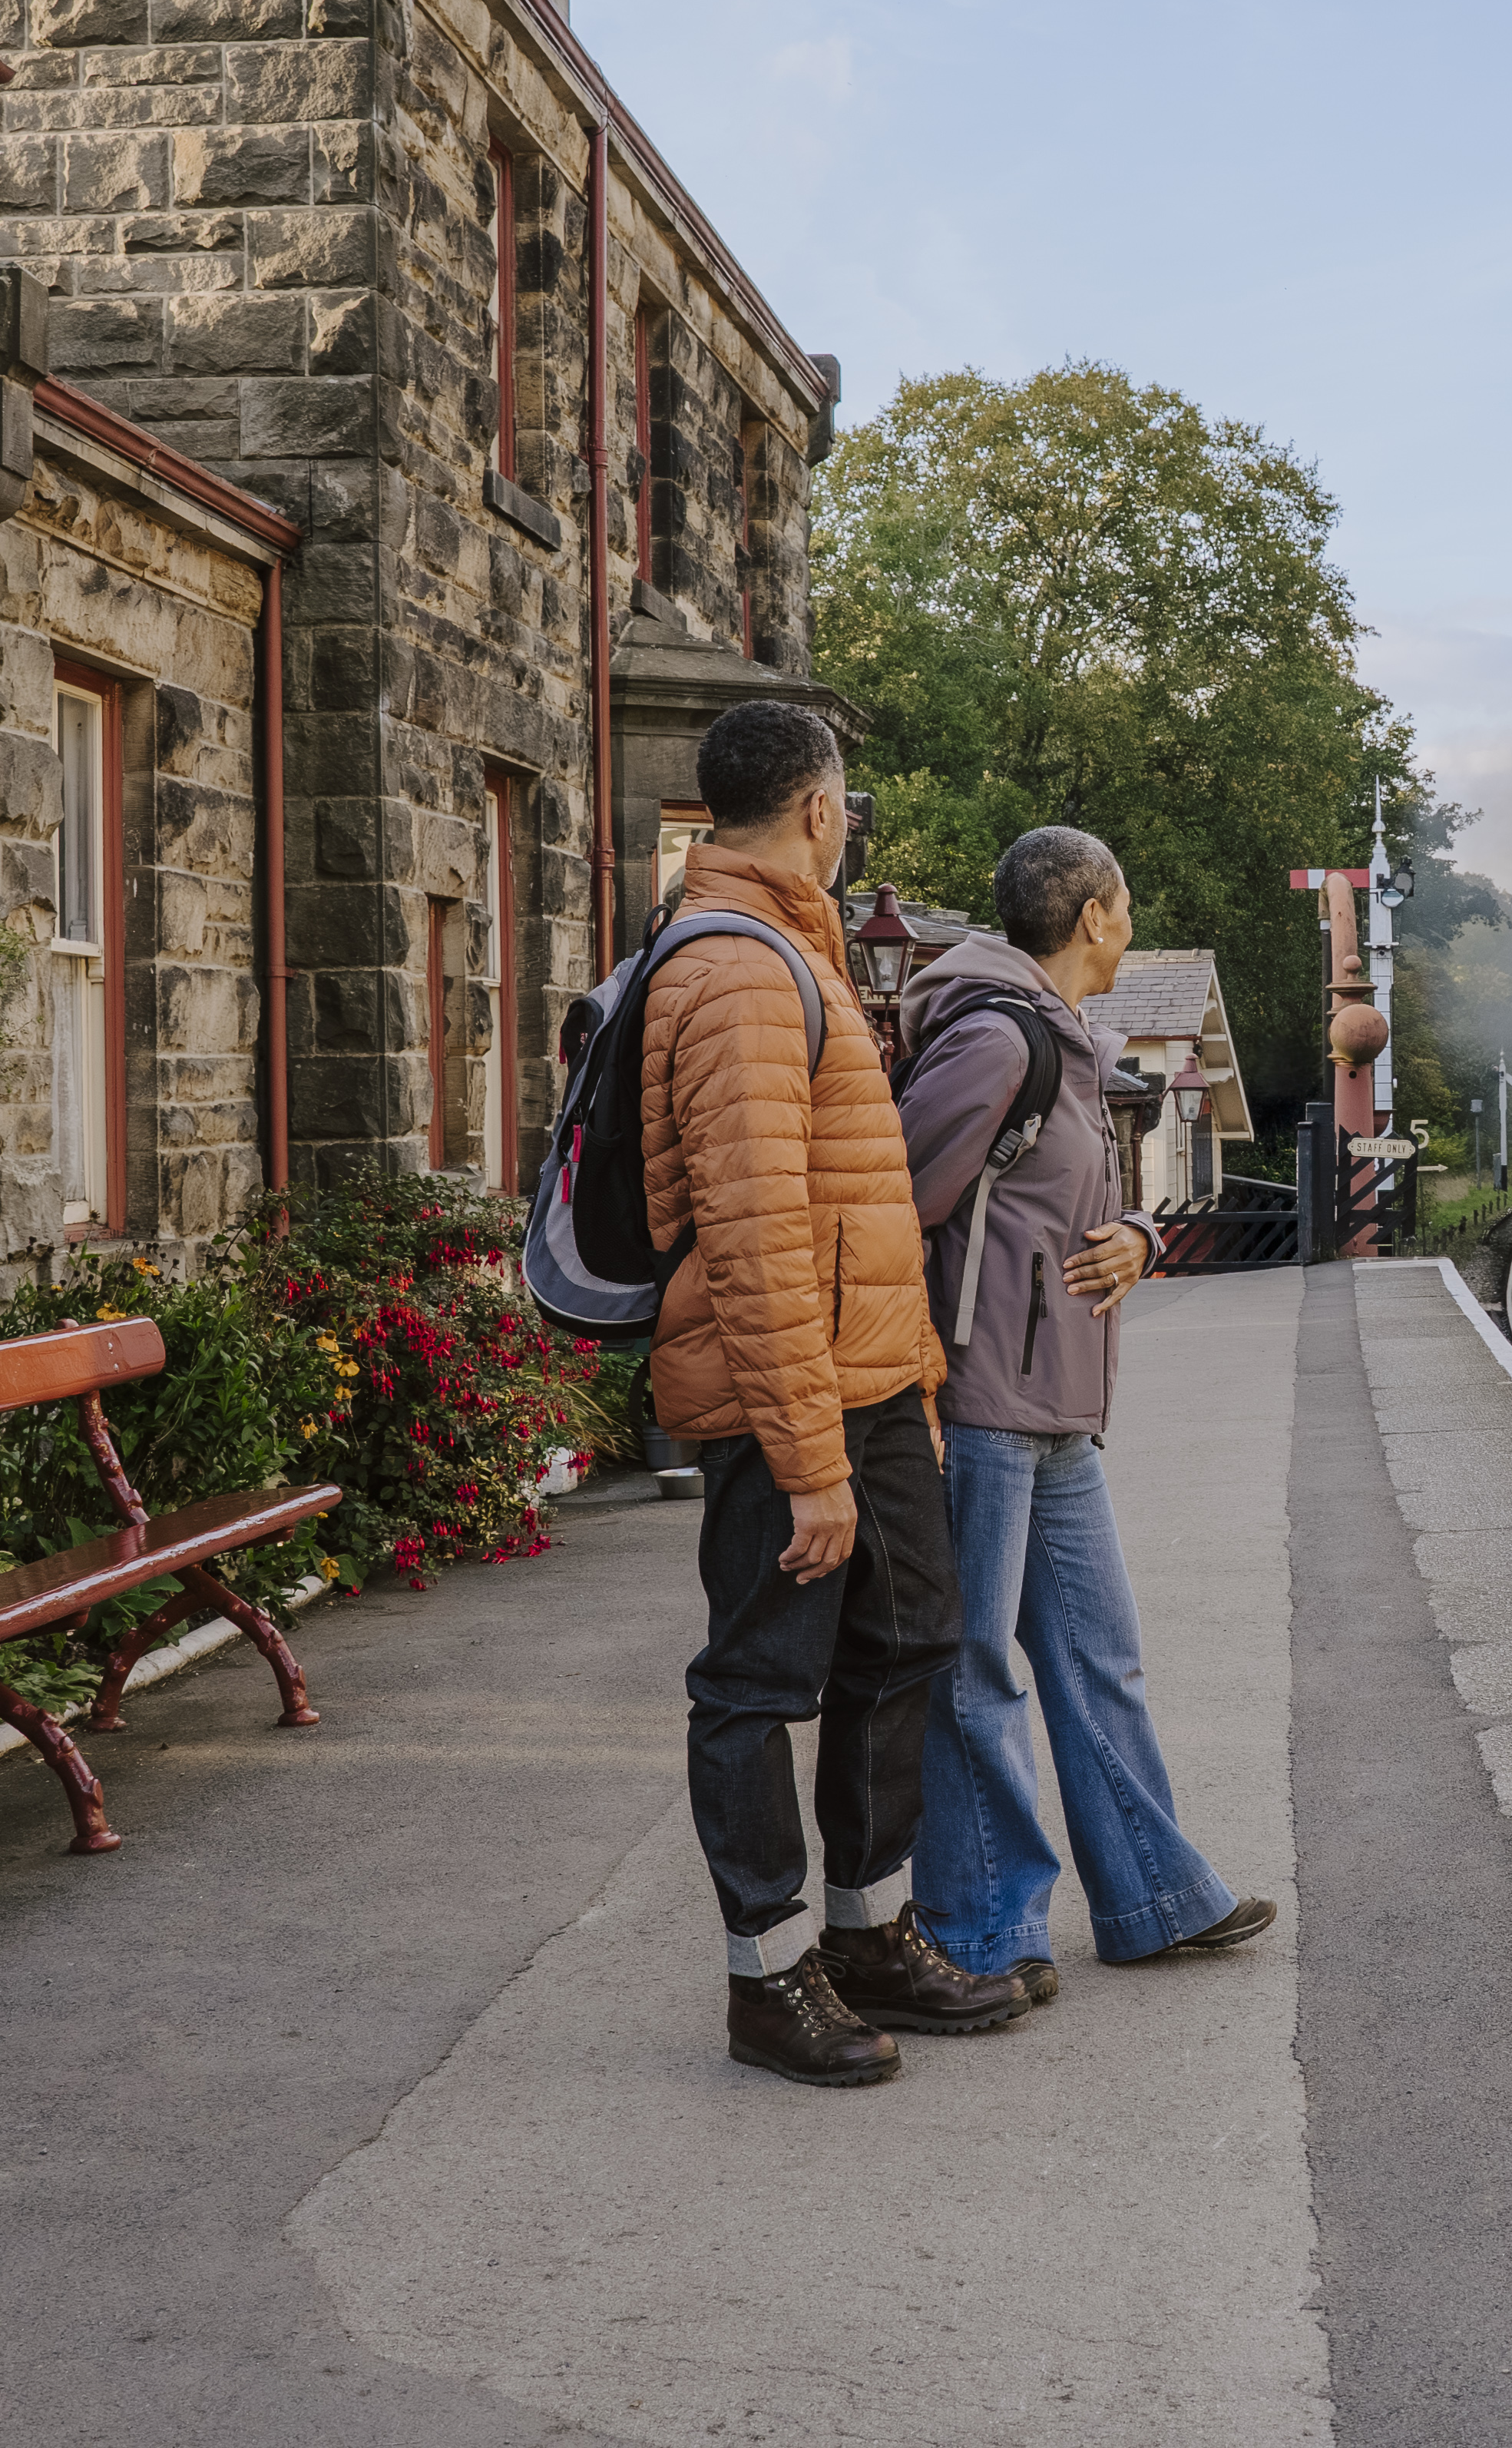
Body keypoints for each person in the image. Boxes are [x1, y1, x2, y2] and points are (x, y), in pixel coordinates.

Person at [640, 700, 1027, 2085]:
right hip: (778, 1401)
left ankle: (866, 1935)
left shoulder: (798, 949)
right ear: (818, 808)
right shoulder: (739, 973)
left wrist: (907, 1393)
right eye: (848, 801)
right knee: (757, 1683)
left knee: (908, 1640)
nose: (850, 822)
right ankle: (768, 1974)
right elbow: (753, 1236)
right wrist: (810, 1460)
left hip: (865, 1382)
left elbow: (857, 1215)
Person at [898, 826, 1277, 2000]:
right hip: (984, 1402)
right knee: (978, 1671)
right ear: (1096, 915)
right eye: (1127, 899)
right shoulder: (995, 1035)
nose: (1131, 916)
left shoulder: (1060, 1042)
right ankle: (980, 1931)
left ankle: (1154, 1899)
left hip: (1057, 1403)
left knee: (1097, 1658)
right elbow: (895, 1196)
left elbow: (1077, 1209)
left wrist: (1141, 1239)